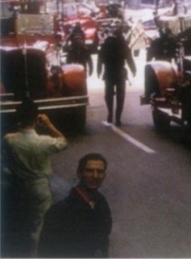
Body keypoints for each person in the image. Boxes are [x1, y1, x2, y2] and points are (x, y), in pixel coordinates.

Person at [1, 100, 68, 257]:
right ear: (36, 119)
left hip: (18, 185)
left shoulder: (9, 139)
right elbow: (64, 142)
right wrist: (49, 124)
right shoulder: (43, 142)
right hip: (39, 186)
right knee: (40, 222)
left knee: (22, 219)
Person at [38, 153, 113, 258]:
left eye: (100, 171)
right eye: (89, 171)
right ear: (79, 173)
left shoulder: (102, 203)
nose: (95, 176)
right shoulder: (59, 211)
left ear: (104, 175)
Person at [97, 22, 136, 126]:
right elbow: (129, 58)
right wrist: (133, 69)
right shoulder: (123, 44)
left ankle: (110, 113)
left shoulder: (106, 43)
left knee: (108, 95)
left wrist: (98, 70)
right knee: (120, 96)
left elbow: (100, 58)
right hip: (120, 73)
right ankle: (118, 117)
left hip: (109, 72)